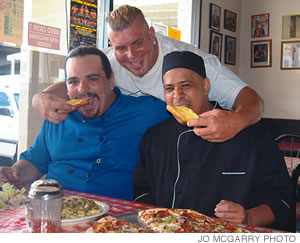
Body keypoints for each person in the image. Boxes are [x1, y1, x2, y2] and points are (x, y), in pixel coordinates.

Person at [32, 5, 264, 143]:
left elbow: (252, 100)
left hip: (195, 144)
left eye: (138, 43)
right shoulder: (109, 61)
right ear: (111, 45)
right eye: (121, 48)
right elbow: (73, 86)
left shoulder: (190, 60)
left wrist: (237, 120)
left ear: (152, 34)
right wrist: (41, 98)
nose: (131, 55)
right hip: (141, 151)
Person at [132, 51, 291, 230]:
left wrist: (249, 217)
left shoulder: (251, 135)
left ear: (205, 86)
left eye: (186, 85)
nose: (177, 96)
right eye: (169, 89)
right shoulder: (154, 138)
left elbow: (283, 198)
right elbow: (142, 190)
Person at [0, 46, 170, 200]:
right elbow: (34, 163)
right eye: (73, 81)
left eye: (92, 79)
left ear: (110, 81)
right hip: (57, 212)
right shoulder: (58, 117)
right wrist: (15, 173)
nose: (82, 89)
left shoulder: (147, 111)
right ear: (66, 87)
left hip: (116, 220)